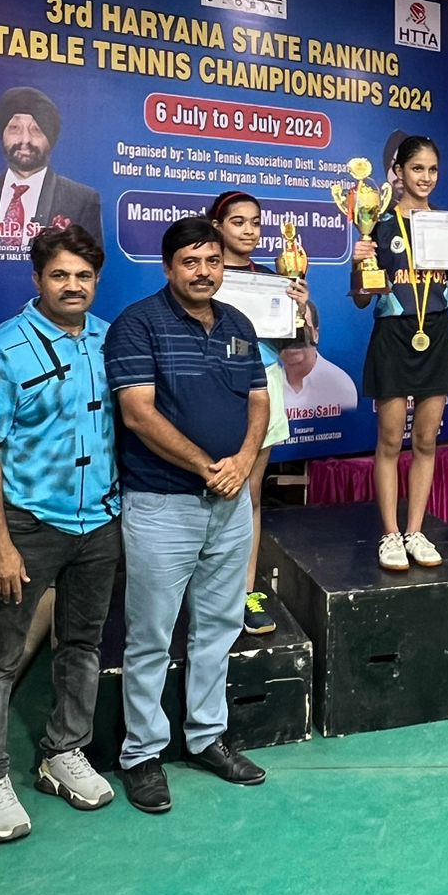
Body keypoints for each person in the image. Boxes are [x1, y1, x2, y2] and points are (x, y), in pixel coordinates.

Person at [0, 225, 121, 842]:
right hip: (28, 524)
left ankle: (63, 752)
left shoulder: (109, 339)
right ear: (37, 279)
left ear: (96, 280)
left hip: (99, 521)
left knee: (81, 645)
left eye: (83, 276)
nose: (72, 286)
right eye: (59, 275)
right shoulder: (5, 349)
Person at [104, 216, 271, 814]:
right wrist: (208, 467)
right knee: (150, 635)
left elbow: (259, 399)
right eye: (190, 262)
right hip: (162, 506)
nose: (204, 273)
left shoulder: (239, 324)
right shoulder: (137, 325)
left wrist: (244, 461)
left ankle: (206, 737)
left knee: (218, 628)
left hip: (230, 505)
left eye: (213, 262)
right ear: (168, 266)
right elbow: (138, 414)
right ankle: (141, 754)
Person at [353, 134, 448, 570]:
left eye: (433, 169)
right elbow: (361, 300)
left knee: (426, 439)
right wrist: (360, 264)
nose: (426, 177)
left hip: (435, 334)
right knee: (390, 440)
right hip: (394, 335)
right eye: (417, 168)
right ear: (398, 172)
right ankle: (390, 534)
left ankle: (415, 531)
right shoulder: (379, 225)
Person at [210, 190, 309, 634]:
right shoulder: (205, 274)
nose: (249, 231)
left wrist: (298, 309)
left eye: (255, 222)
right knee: (210, 493)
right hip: (212, 387)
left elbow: (293, 346)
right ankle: (208, 593)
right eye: (238, 222)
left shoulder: (273, 279)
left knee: (250, 494)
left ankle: (246, 591)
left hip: (263, 382)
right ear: (218, 226)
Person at [0, 87, 102, 252]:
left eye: (36, 130)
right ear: (2, 134)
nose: (25, 140)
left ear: (50, 138)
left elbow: (90, 261)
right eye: (15, 128)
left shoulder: (81, 200)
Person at [279, 300, 358, 420]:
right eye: (286, 331)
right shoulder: (266, 383)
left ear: (316, 334)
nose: (294, 338)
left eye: (301, 329)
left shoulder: (341, 385)